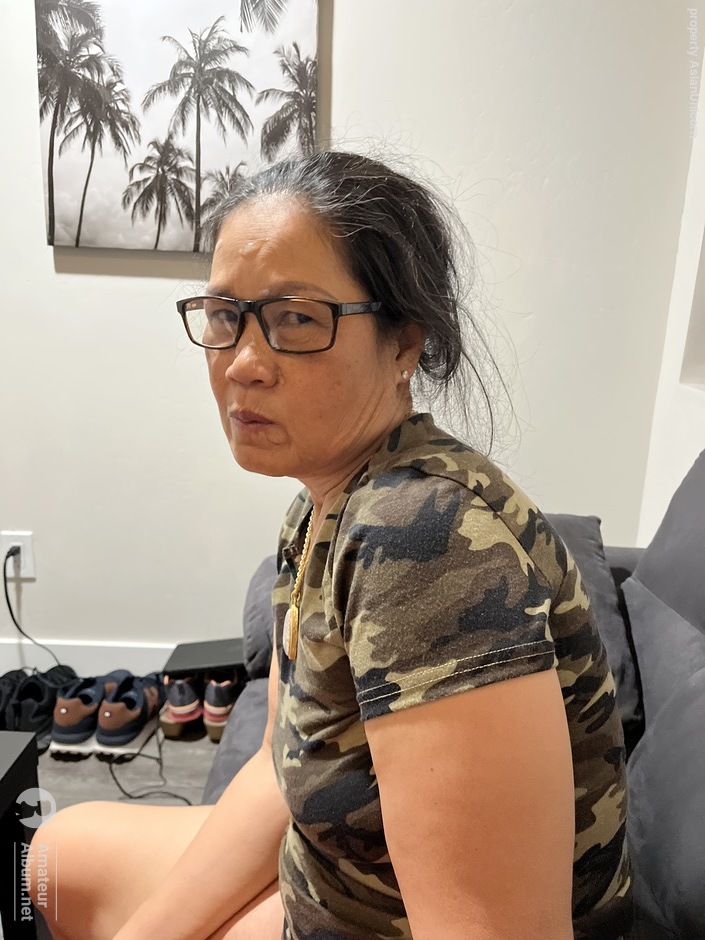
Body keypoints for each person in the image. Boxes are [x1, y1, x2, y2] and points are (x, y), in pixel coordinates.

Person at [31, 151, 631, 940]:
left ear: (403, 343)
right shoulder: (320, 504)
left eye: (297, 320)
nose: (243, 365)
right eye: (224, 315)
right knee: (54, 855)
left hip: (374, 921)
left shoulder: (423, 539)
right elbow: (280, 766)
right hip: (328, 877)